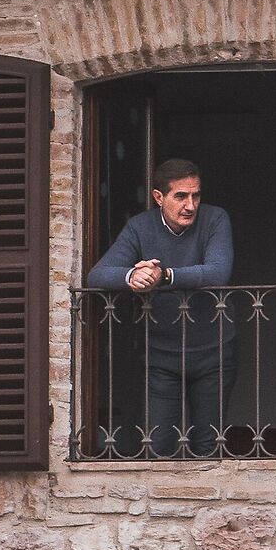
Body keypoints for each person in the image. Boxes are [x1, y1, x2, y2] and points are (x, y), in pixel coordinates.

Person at [87, 157, 235, 456]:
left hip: (214, 352)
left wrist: (164, 276)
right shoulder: (140, 227)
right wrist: (133, 276)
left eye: (195, 195)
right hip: (160, 357)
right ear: (158, 197)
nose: (190, 205)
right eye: (180, 196)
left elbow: (218, 272)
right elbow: (97, 275)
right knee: (158, 446)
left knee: (208, 446)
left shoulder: (215, 219)